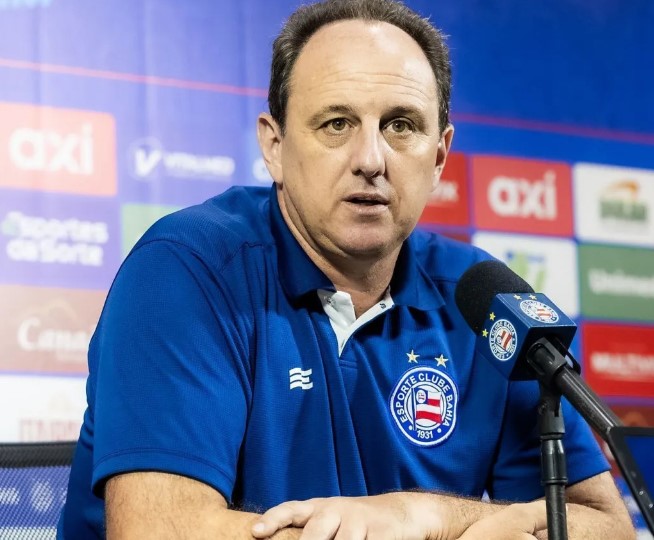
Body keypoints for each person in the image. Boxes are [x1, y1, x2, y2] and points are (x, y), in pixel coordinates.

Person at [58, 0, 634, 538]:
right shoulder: (186, 270)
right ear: (274, 146)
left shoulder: (483, 303)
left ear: (439, 157)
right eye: (336, 123)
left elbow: (607, 526)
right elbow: (161, 530)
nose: (370, 159)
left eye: (401, 125)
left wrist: (426, 514)